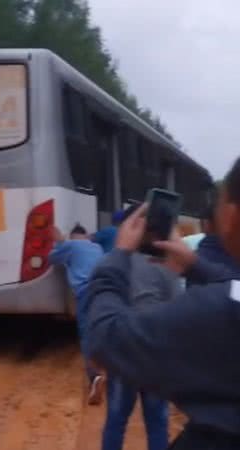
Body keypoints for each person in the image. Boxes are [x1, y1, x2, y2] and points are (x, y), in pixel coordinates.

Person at [84, 156, 240, 449]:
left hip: (141, 342)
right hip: (154, 338)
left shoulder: (217, 309)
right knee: (156, 419)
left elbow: (103, 337)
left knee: (117, 417)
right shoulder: (182, 275)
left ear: (231, 215)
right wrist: (195, 265)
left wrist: (116, 257)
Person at [100, 206, 179, 450]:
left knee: (116, 419)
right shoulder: (167, 265)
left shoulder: (113, 262)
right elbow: (176, 308)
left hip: (124, 351)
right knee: (157, 420)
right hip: (155, 353)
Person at [49, 223, 105, 405]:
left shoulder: (71, 245)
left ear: (73, 236)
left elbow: (52, 259)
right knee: (104, 330)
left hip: (85, 293)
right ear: (86, 235)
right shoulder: (97, 247)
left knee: (87, 335)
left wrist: (59, 242)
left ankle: (95, 376)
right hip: (105, 291)